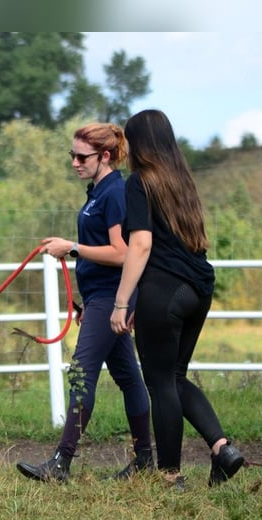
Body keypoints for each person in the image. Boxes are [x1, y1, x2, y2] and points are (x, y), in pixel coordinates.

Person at [110, 109, 245, 489]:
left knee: (161, 383)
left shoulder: (139, 182)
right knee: (176, 376)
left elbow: (140, 244)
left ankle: (171, 474)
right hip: (199, 287)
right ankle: (222, 448)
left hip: (164, 290)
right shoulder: (182, 181)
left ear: (140, 145)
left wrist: (122, 302)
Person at [16, 123, 153, 483]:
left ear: (104, 156)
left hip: (111, 298)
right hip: (99, 298)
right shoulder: (98, 191)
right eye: (71, 155)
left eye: (82, 156)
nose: (75, 163)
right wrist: (83, 301)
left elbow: (122, 253)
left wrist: (71, 247)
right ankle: (145, 460)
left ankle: (61, 463)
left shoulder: (114, 194)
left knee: (81, 373)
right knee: (129, 378)